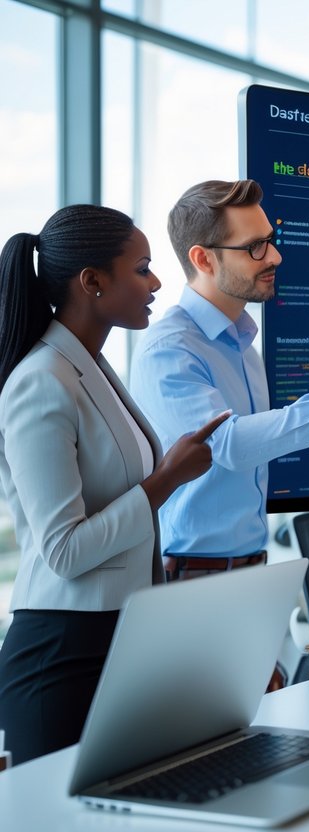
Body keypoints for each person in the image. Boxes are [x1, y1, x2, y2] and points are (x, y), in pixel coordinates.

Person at [0, 206, 226, 765]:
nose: (155, 283)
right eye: (142, 269)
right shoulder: (40, 381)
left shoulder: (91, 366)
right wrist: (166, 480)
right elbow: (64, 550)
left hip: (118, 639)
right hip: (61, 653)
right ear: (92, 282)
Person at [130, 179, 309, 582]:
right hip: (191, 577)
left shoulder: (244, 345)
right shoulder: (169, 350)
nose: (275, 257)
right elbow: (227, 445)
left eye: (270, 240)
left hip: (250, 571)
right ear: (203, 259)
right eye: (255, 247)